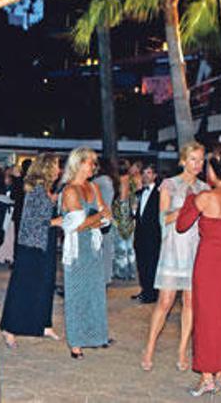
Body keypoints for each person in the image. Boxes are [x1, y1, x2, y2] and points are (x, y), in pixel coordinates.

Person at [177, 147, 221, 396]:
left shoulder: (205, 197)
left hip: (207, 265)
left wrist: (189, 200)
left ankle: (207, 376)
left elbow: (181, 225)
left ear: (214, 171)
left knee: (205, 319)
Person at [141, 142, 208, 372]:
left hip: (195, 249)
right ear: (183, 160)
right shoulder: (169, 184)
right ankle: (149, 348)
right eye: (193, 159)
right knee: (165, 302)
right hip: (172, 249)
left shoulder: (204, 188)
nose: (197, 164)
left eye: (200, 160)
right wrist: (186, 209)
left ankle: (182, 351)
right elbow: (162, 220)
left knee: (190, 303)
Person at [0, 153, 62, 347]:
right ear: (47, 168)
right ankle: (8, 327)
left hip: (45, 242)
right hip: (32, 245)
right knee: (22, 287)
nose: (59, 169)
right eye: (57, 166)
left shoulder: (44, 189)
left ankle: (43, 324)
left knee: (45, 284)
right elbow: (32, 221)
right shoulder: (36, 190)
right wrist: (57, 221)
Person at [60, 147, 111, 359]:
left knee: (95, 292)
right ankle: (76, 342)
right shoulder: (70, 191)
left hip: (93, 247)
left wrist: (97, 217)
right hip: (77, 250)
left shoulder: (93, 186)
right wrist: (97, 218)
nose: (94, 166)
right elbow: (76, 226)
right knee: (77, 294)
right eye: (91, 162)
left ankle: (95, 335)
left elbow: (107, 215)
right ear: (79, 163)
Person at [132, 163, 160, 304]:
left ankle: (152, 294)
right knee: (141, 265)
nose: (145, 176)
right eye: (143, 173)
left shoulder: (159, 194)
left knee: (151, 265)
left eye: (148, 173)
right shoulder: (140, 192)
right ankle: (145, 290)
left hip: (153, 236)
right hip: (140, 235)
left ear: (154, 175)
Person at [92, 158, 118, 285]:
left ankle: (103, 278)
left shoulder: (100, 181)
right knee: (107, 249)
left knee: (100, 249)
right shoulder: (109, 180)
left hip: (100, 217)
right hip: (107, 216)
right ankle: (107, 277)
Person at [112, 159, 137, 280]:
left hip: (121, 215)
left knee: (121, 245)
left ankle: (122, 271)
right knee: (130, 246)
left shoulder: (121, 181)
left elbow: (122, 199)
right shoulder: (132, 180)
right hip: (130, 215)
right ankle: (131, 271)